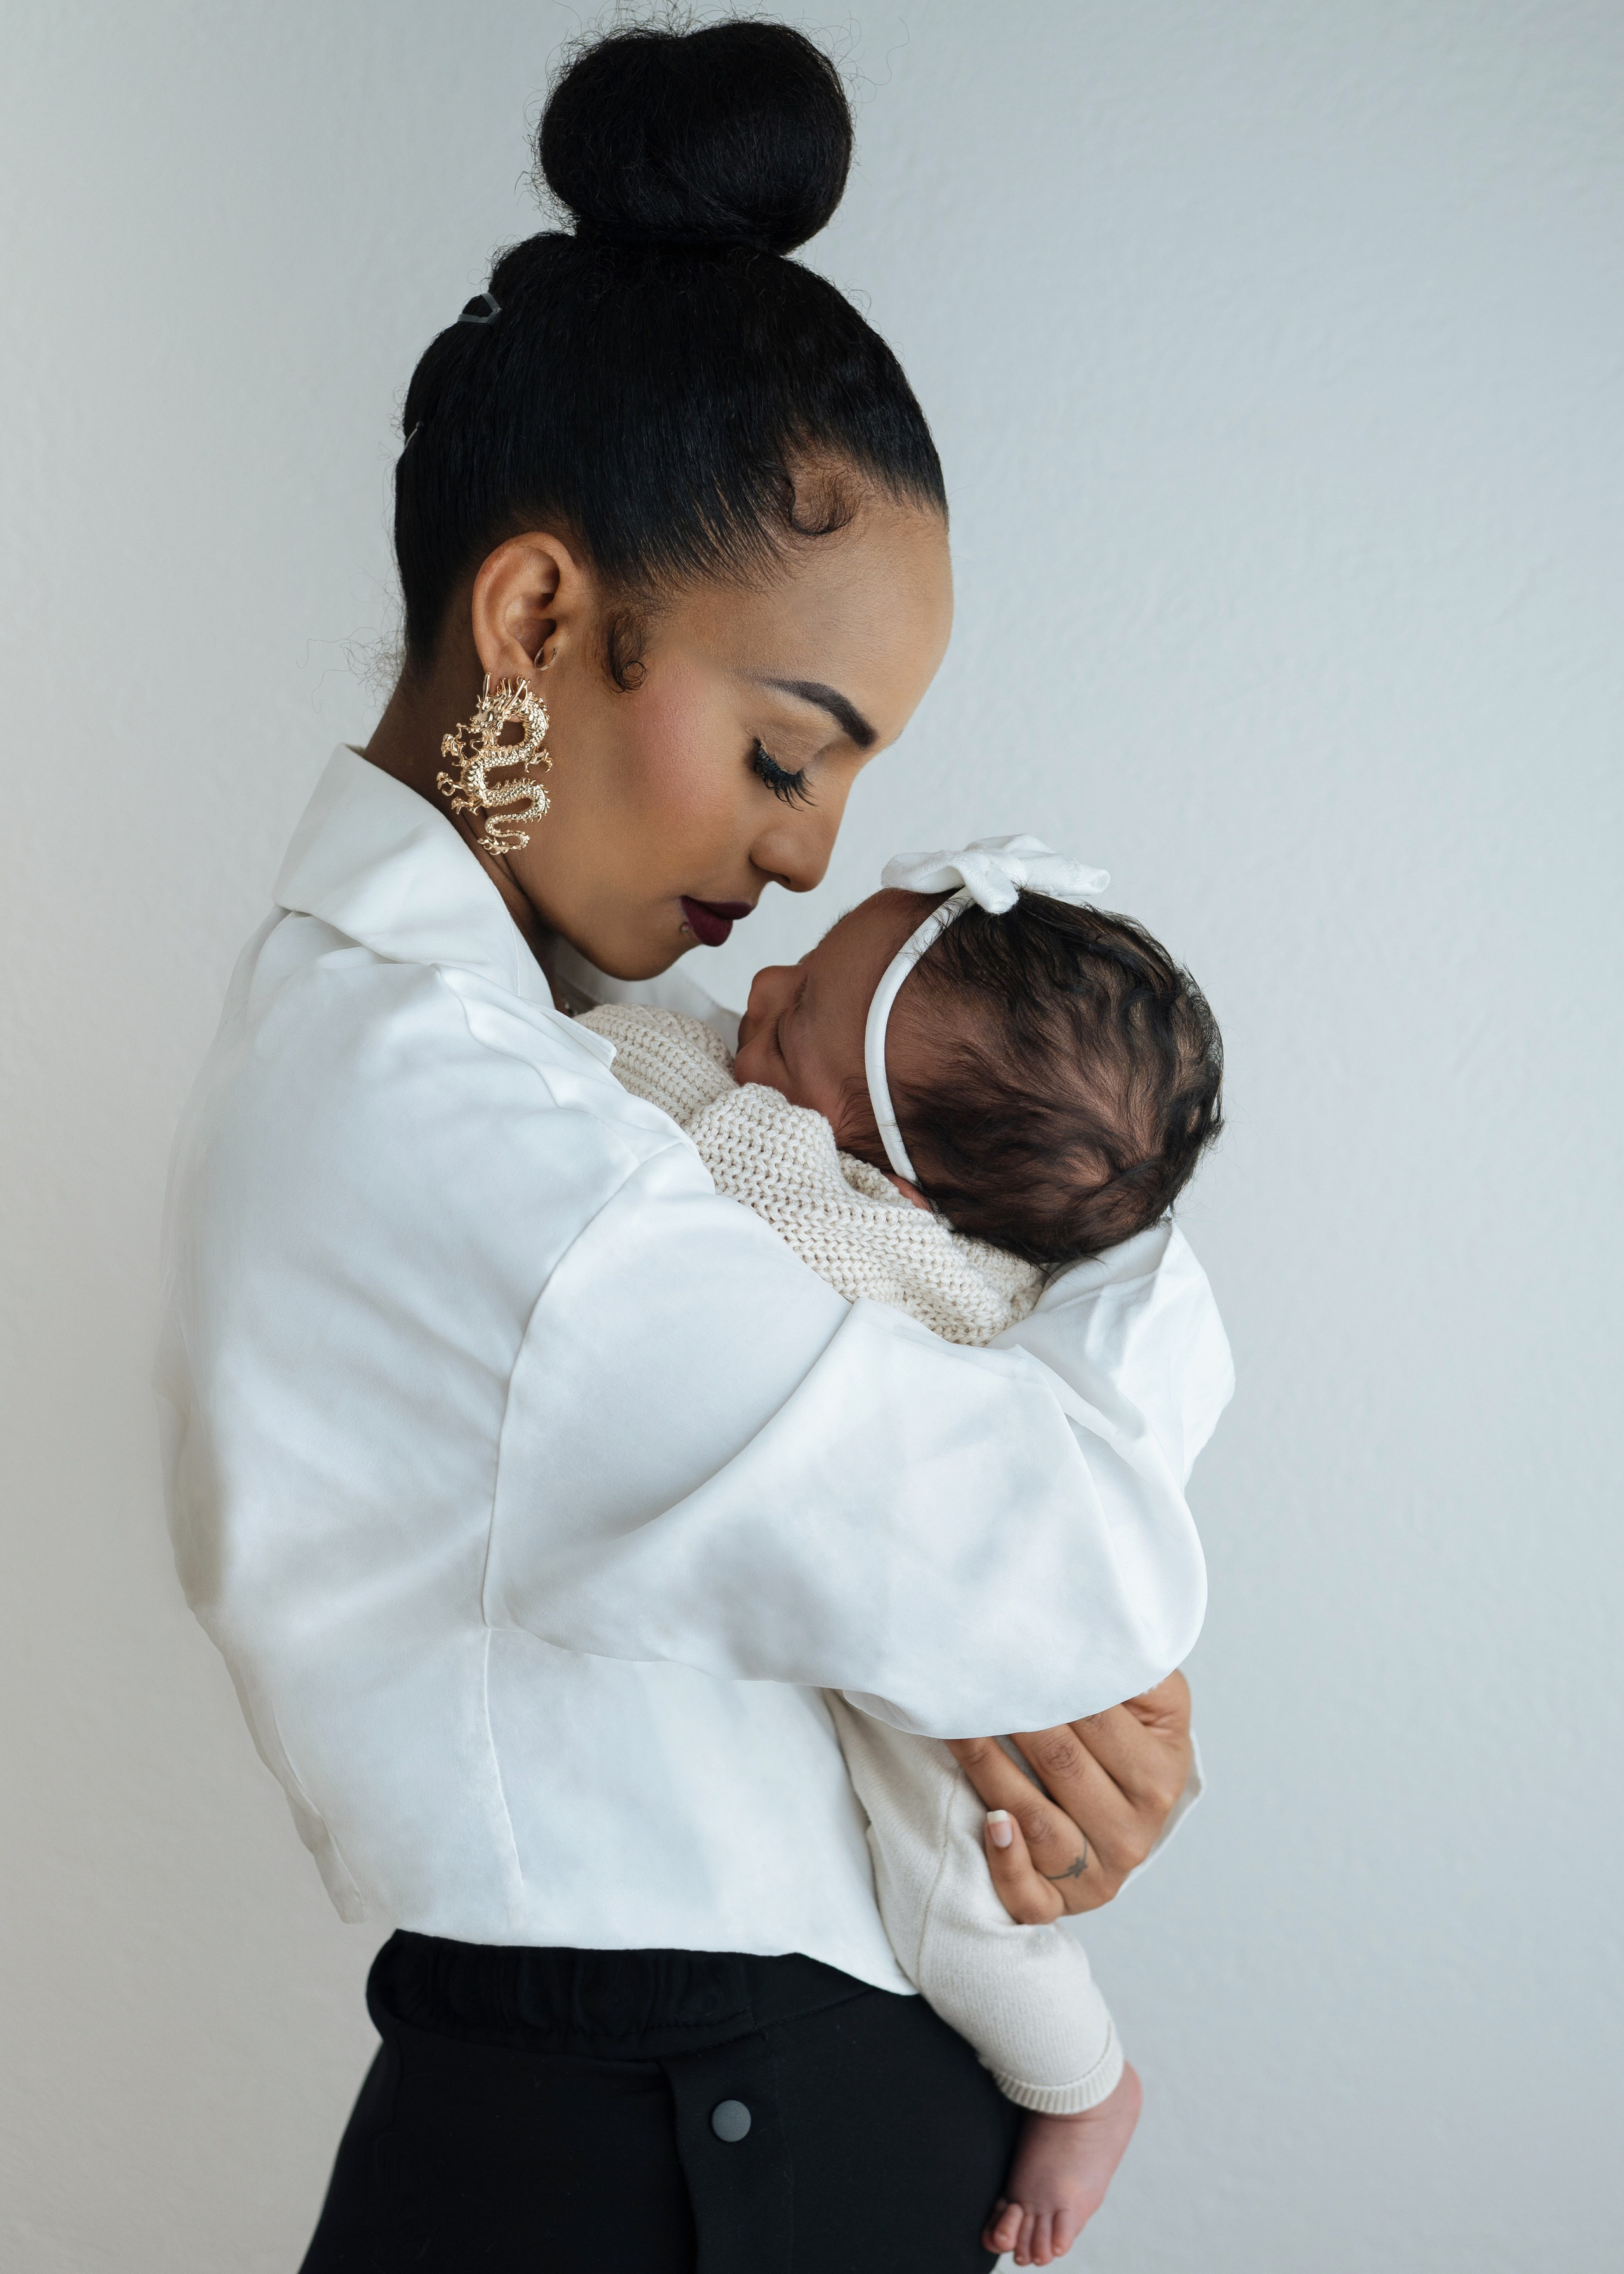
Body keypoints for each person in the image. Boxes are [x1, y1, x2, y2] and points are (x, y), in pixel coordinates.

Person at [157, 23, 1210, 2272]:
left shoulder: (532, 1064)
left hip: (703, 2138)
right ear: (537, 618)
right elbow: (1082, 1581)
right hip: (666, 2155)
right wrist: (1109, 1682)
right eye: (782, 745)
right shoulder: (465, 1130)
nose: (815, 858)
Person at [586, 837, 1231, 2266]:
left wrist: (627, 1046)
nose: (752, 984)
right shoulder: (911, 1185)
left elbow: (678, 1103)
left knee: (958, 1885)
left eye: (797, 1002)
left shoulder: (835, 1209)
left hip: (950, 1682)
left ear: (882, 1165)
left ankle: (1081, 2079)